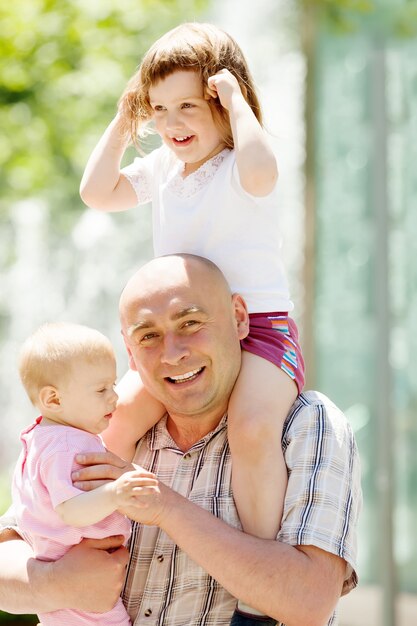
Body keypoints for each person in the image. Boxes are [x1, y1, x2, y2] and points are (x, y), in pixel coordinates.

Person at [0, 255, 361, 626]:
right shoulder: (95, 433)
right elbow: (10, 551)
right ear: (130, 351)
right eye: (149, 336)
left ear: (239, 318)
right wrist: (57, 583)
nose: (173, 353)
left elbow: (309, 603)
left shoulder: (308, 425)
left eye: (190, 323)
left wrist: (165, 507)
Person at [80, 24, 304, 622]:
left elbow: (263, 171)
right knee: (118, 416)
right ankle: (91, 533)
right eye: (159, 108)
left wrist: (237, 104)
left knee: (253, 426)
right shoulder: (161, 170)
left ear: (220, 103)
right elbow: (96, 192)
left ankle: (261, 588)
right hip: (181, 339)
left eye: (188, 105)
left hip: (258, 334)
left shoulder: (239, 164)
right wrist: (126, 122)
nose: (172, 121)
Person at [10, 322, 158, 626]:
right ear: (53, 399)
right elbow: (71, 510)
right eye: (101, 389)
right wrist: (116, 493)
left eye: (114, 385)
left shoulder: (43, 437)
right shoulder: (65, 444)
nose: (114, 398)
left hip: (70, 571)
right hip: (82, 583)